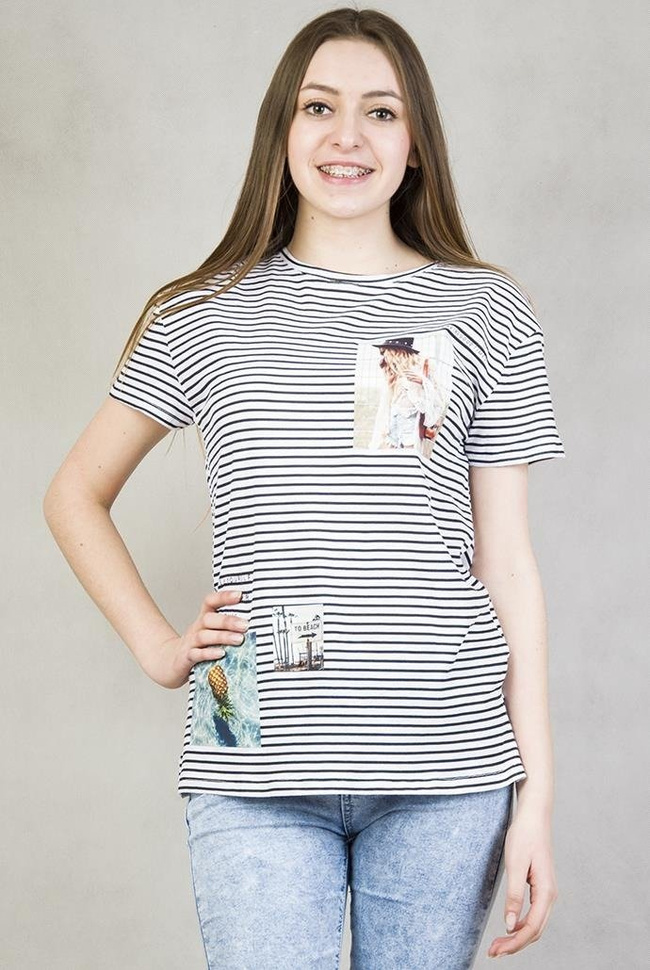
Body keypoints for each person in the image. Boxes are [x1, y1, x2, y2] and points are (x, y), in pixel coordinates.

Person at [43, 7, 565, 968]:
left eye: (381, 112)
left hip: (445, 761)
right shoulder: (202, 313)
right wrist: (160, 649)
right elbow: (75, 493)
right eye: (318, 107)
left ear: (416, 145)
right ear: (280, 131)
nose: (346, 136)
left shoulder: (483, 308)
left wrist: (537, 794)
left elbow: (509, 566)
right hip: (249, 749)